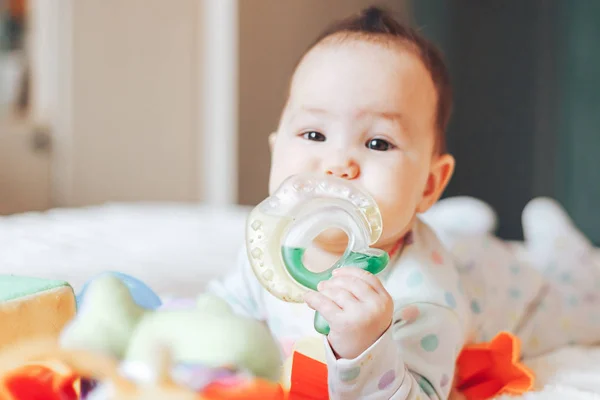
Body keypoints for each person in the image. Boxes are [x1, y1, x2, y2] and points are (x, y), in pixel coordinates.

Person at [207, 6, 600, 399]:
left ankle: (567, 257)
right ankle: (464, 220)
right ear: (276, 151)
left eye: (378, 143)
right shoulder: (269, 249)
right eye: (313, 134)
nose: (337, 164)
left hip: (505, 288)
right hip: (455, 242)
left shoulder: (424, 300)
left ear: (429, 185)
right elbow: (227, 308)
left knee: (581, 307)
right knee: (457, 234)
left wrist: (366, 348)